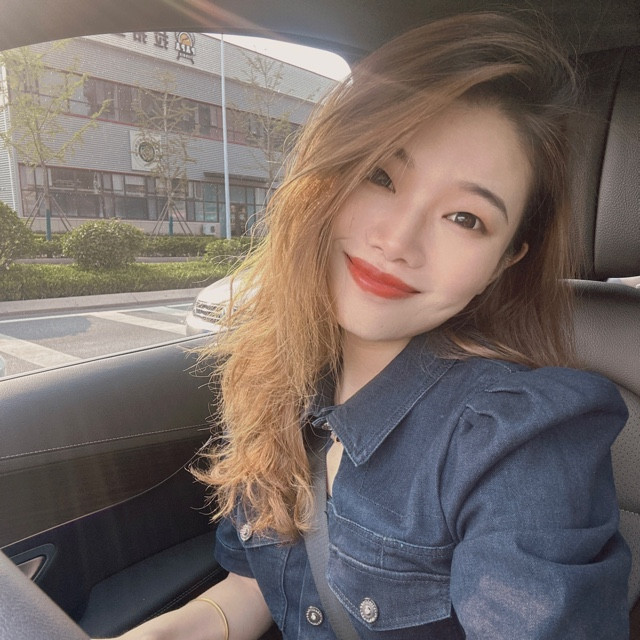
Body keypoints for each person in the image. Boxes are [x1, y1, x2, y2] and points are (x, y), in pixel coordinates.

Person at [104, 11, 631, 640]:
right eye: (381, 175)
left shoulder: (516, 438)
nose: (397, 241)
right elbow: (251, 588)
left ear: (502, 261)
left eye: (465, 218)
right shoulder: (278, 376)